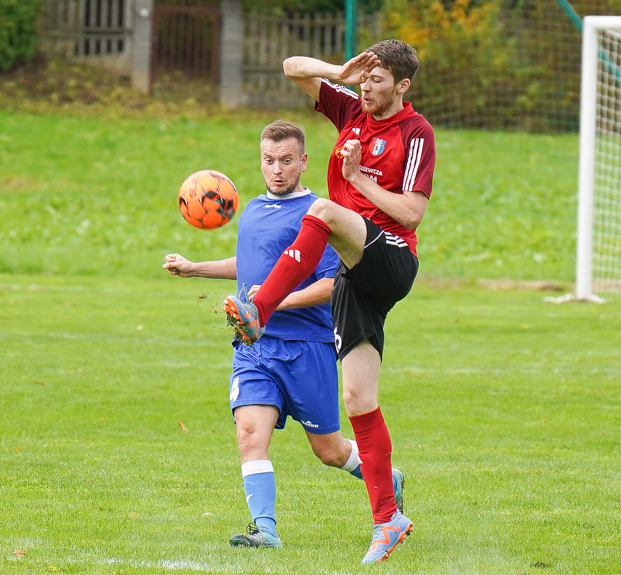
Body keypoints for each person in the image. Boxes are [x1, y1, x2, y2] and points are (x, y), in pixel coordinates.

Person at [223, 40, 436, 564]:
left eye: (378, 79)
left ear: (403, 86)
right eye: (364, 77)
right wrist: (341, 70)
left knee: (322, 208)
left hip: (389, 256)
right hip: (352, 278)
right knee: (359, 401)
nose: (366, 87)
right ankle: (389, 518)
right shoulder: (350, 109)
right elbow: (290, 66)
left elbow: (410, 214)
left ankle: (260, 309)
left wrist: (361, 178)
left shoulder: (416, 132)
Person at [164, 120, 404, 550]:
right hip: (254, 347)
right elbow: (252, 265)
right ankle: (266, 531)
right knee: (250, 433)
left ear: (304, 162)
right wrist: (194, 267)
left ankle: (386, 477)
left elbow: (333, 286)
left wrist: (272, 303)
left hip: (306, 349)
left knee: (328, 450)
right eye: (269, 161)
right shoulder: (252, 208)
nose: (277, 170)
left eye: (286, 161)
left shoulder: (321, 215)